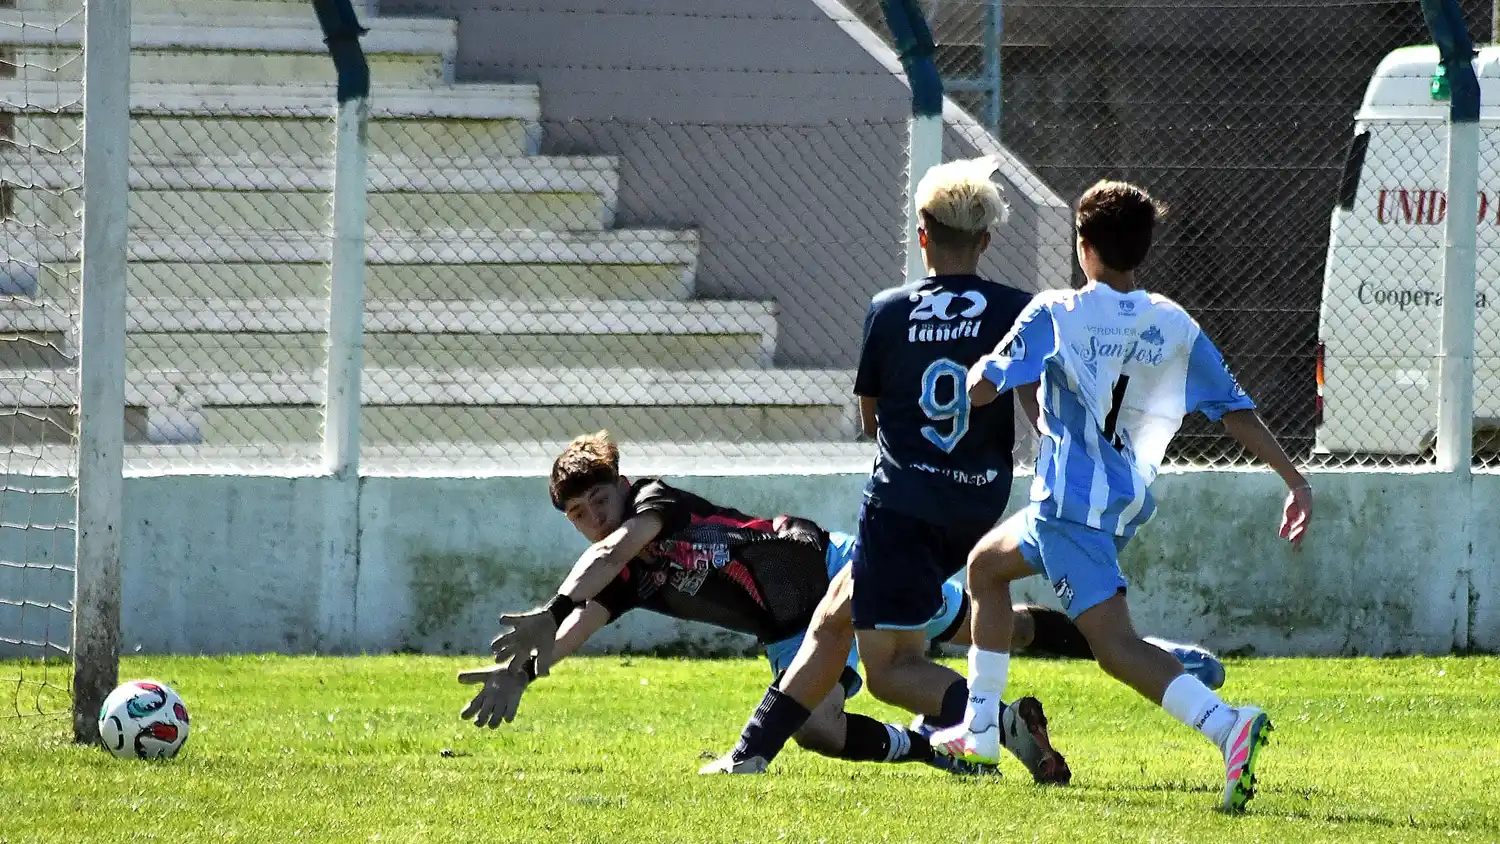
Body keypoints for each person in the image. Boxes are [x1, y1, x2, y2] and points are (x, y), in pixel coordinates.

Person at [461, 431, 1171, 771]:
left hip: (832, 566)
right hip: (788, 630)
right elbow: (579, 623)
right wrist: (524, 671)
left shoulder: (653, 501)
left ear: (621, 485)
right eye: (578, 513)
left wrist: (549, 608)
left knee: (1002, 628)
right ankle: (956, 741)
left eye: (597, 499)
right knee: (818, 731)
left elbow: (610, 554)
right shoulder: (621, 578)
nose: (593, 518)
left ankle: (1138, 653)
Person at [931, 179, 1311, 813]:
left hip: (1070, 509)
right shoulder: (1174, 324)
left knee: (1116, 650)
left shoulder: (1057, 312)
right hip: (1110, 504)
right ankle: (979, 729)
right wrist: (1294, 481)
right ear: (1144, 248)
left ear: (1083, 247)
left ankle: (1227, 726)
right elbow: (1235, 411)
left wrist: (975, 378)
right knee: (985, 568)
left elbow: (986, 383)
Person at [699, 157, 1074, 782]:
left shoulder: (889, 309)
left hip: (902, 502)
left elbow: (870, 420)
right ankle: (750, 753)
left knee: (889, 671)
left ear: (921, 234)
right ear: (985, 241)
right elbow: (1041, 413)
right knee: (834, 612)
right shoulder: (1019, 309)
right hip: (976, 502)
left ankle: (995, 726)